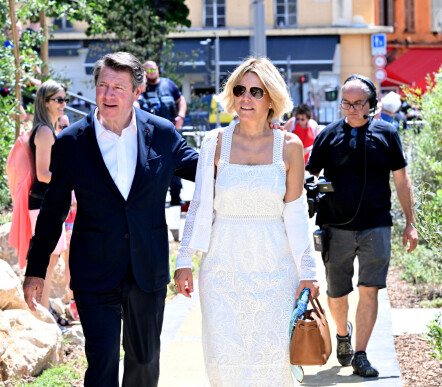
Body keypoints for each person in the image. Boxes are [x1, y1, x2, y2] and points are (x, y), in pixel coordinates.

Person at [22, 52, 199, 386]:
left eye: (118, 86)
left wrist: (258, 138)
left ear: (137, 91)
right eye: (102, 85)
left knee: (144, 362)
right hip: (94, 271)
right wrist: (35, 269)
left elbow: (206, 169)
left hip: (147, 268)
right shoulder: (71, 142)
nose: (108, 94)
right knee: (102, 363)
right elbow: (53, 210)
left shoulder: (161, 133)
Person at [174, 57, 319, 385]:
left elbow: (296, 214)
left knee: (274, 359)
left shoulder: (290, 147)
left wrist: (308, 272)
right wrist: (184, 260)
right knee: (225, 360)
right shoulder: (215, 143)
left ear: (272, 98)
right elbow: (199, 206)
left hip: (277, 271)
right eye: (239, 90)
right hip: (222, 270)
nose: (246, 98)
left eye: (256, 91)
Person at [305, 75, 418, 377]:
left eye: (358, 103)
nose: (352, 109)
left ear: (372, 104)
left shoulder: (387, 133)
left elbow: (402, 180)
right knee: (336, 291)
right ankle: (343, 334)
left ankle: (360, 354)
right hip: (336, 226)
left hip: (376, 225)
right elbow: (308, 174)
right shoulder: (328, 135)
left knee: (370, 290)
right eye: (346, 103)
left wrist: (411, 223)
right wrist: (313, 188)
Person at [28, 80, 69, 312]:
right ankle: (39, 313)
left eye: (65, 99)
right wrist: (69, 180)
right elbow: (43, 174)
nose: (64, 104)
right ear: (46, 102)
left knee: (51, 259)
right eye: (59, 100)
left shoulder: (48, 129)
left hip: (49, 202)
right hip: (42, 202)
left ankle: (43, 312)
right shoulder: (44, 131)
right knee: (46, 259)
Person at [139, 60, 188, 205]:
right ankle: (153, 199)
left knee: (175, 163)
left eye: (152, 69)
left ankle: (175, 196)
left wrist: (181, 116)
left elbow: (181, 100)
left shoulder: (168, 84)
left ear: (157, 69)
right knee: (152, 167)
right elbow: (136, 104)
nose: (150, 73)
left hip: (171, 133)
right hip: (150, 135)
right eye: (146, 71)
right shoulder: (142, 88)